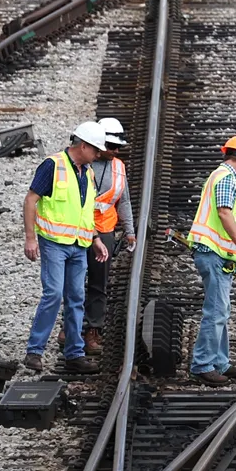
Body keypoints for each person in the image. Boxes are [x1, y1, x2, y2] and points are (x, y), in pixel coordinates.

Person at [21, 121, 110, 374]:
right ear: (83, 146)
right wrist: (30, 238)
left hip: (79, 245)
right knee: (53, 295)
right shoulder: (53, 165)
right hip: (54, 244)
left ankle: (74, 353)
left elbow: (84, 211)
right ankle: (34, 351)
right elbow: (30, 201)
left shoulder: (88, 172)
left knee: (76, 299)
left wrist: (95, 239)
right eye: (95, 150)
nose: (98, 155)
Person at [187, 135, 236, 385]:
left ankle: (219, 362)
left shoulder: (217, 175)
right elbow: (224, 212)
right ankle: (202, 365)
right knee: (216, 311)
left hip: (213, 252)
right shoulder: (227, 177)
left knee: (221, 309)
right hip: (212, 252)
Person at [80, 117, 136, 356]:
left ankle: (93, 330)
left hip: (104, 229)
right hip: (79, 228)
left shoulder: (118, 167)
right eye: (111, 146)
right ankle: (69, 328)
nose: (115, 151)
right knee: (71, 282)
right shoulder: (83, 164)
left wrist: (130, 231)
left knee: (98, 282)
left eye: (118, 147)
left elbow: (123, 200)